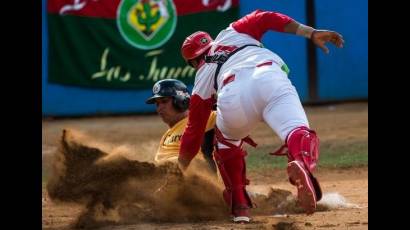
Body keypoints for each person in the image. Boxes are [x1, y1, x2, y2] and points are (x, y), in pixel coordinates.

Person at [178, 9, 344, 223]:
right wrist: (309, 32)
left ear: (192, 62)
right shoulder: (231, 33)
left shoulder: (202, 75)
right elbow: (265, 17)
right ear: (210, 42)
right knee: (297, 130)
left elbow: (194, 130)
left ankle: (240, 207)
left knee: (225, 142)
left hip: (232, 93)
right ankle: (302, 164)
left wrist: (179, 169)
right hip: (269, 77)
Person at [145, 79, 217, 174]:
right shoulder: (167, 135)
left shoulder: (204, 118)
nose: (159, 108)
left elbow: (234, 116)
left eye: (164, 101)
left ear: (181, 101)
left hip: (191, 179)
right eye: (157, 104)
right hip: (162, 178)